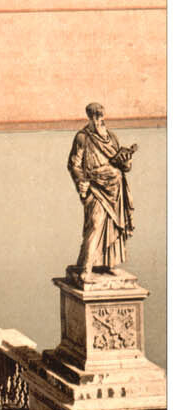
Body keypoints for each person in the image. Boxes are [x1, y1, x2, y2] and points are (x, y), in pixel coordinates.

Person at [67, 102, 138, 279]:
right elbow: (74, 164)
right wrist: (81, 180)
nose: (98, 120)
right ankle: (86, 267)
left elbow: (123, 166)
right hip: (96, 188)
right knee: (95, 224)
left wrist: (126, 160)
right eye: (94, 116)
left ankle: (109, 264)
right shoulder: (82, 138)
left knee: (113, 226)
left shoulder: (112, 137)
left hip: (116, 189)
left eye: (100, 116)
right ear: (89, 117)